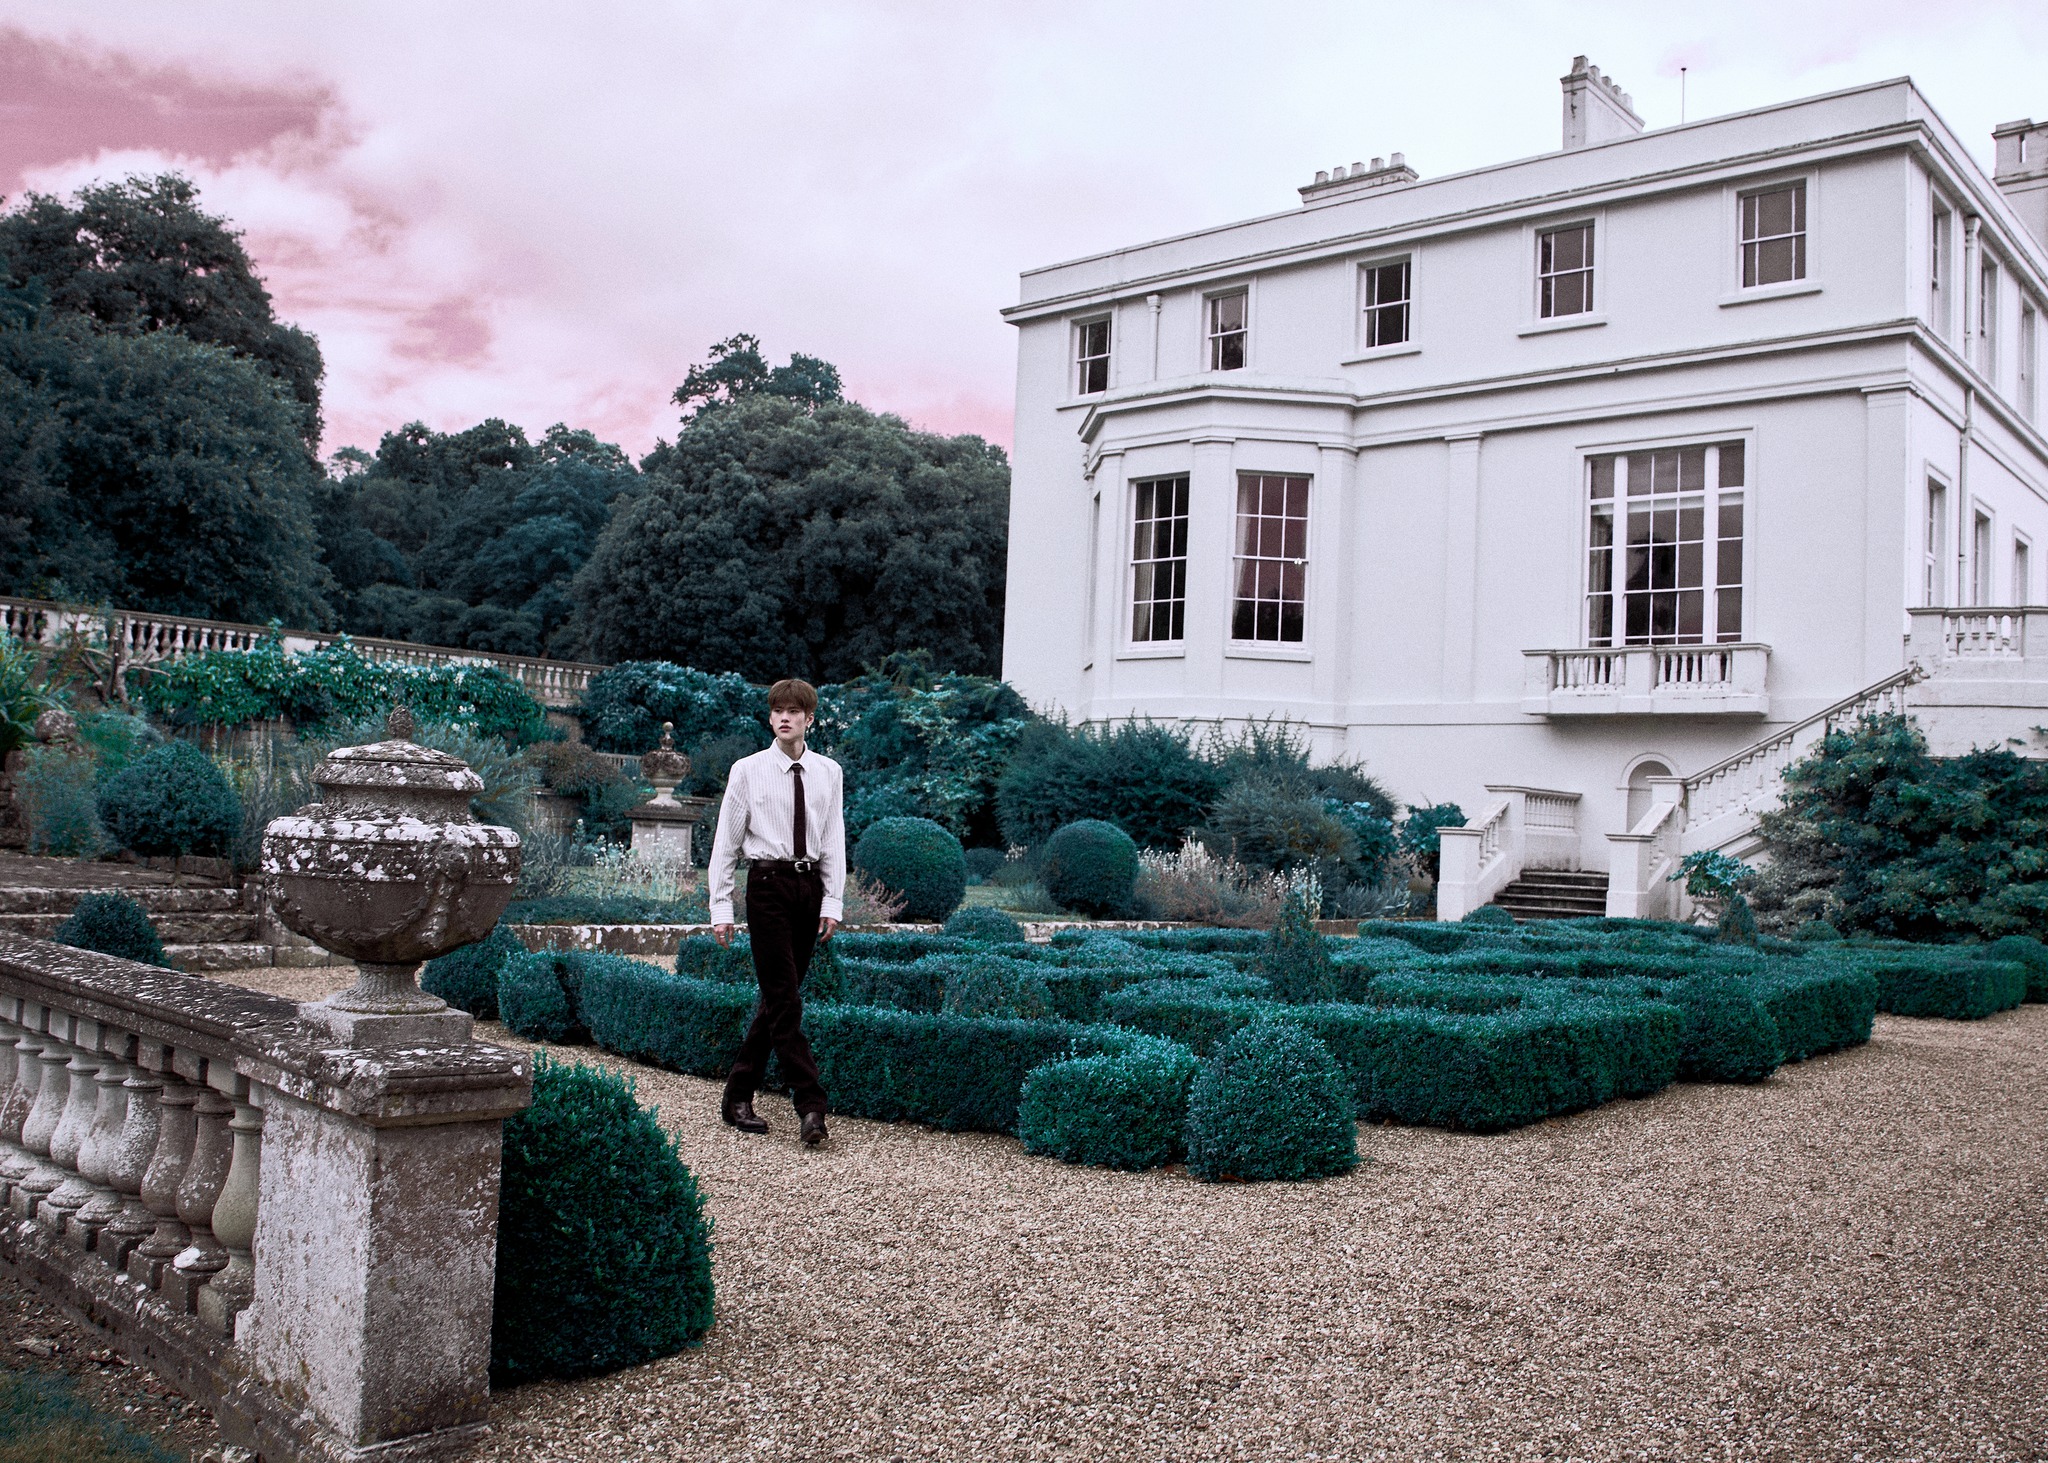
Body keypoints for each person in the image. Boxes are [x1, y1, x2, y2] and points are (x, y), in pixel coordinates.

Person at [708, 678, 843, 1146]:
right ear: (770, 717)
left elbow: (834, 839)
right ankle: (811, 1105)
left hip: (809, 887)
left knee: (777, 1000)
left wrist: (832, 900)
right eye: (778, 711)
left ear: (809, 719)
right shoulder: (747, 770)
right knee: (785, 999)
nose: (785, 718)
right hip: (766, 887)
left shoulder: (829, 772)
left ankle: (736, 1096)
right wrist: (721, 906)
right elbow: (726, 842)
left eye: (794, 711)